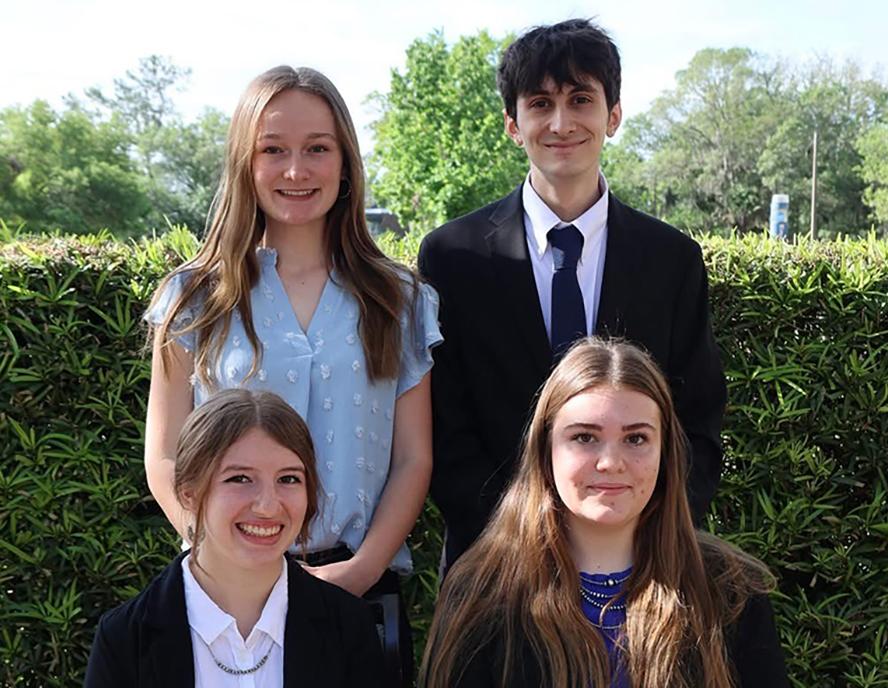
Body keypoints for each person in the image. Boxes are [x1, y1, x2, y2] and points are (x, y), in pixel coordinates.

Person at [144, 66, 440, 684]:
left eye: (317, 149)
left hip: (358, 597)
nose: (296, 170)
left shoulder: (398, 298)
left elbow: (413, 458)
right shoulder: (193, 298)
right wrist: (230, 556)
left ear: (345, 161)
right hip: (224, 598)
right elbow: (165, 456)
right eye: (273, 150)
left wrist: (358, 573)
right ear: (244, 162)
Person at [418, 19, 726, 572]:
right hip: (493, 563)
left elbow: (696, 422)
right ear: (513, 124)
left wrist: (639, 538)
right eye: (540, 103)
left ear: (614, 116)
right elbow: (443, 428)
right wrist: (523, 539)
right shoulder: (451, 257)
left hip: (640, 563)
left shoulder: (671, 260)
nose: (561, 123)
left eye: (580, 99)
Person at [420, 338, 788, 688]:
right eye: (584, 437)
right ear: (546, 450)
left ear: (665, 454)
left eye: (636, 438)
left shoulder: (730, 591)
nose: (610, 462)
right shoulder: (482, 592)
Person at [85, 389, 385, 686]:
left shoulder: (349, 628)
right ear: (189, 494)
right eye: (240, 478)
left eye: (288, 479)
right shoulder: (125, 639)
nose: (268, 506)